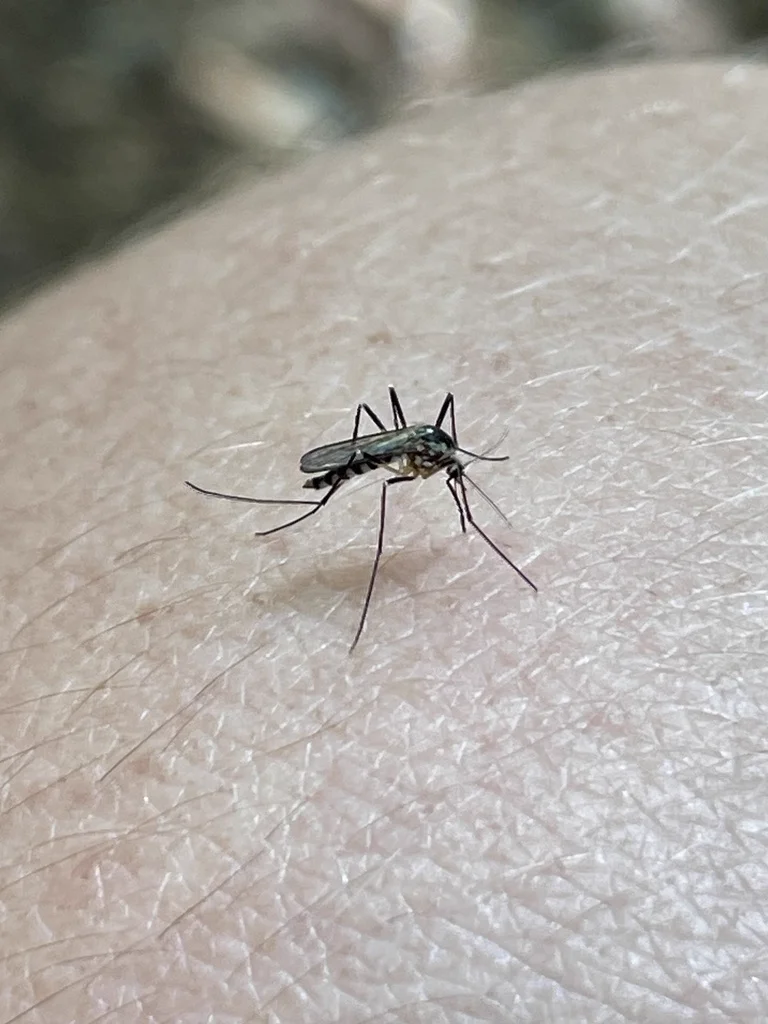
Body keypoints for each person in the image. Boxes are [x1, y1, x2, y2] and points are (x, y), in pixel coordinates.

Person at [3, 61, 766, 1020]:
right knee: (361, 491)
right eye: (448, 464)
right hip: (358, 454)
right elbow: (410, 461)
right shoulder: (414, 451)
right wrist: (361, 476)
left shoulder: (436, 447)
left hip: (386, 444)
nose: (448, 472)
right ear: (435, 454)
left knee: (397, 466)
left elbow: (440, 459)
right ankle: (316, 511)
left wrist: (444, 471)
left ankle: (343, 499)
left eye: (445, 463)